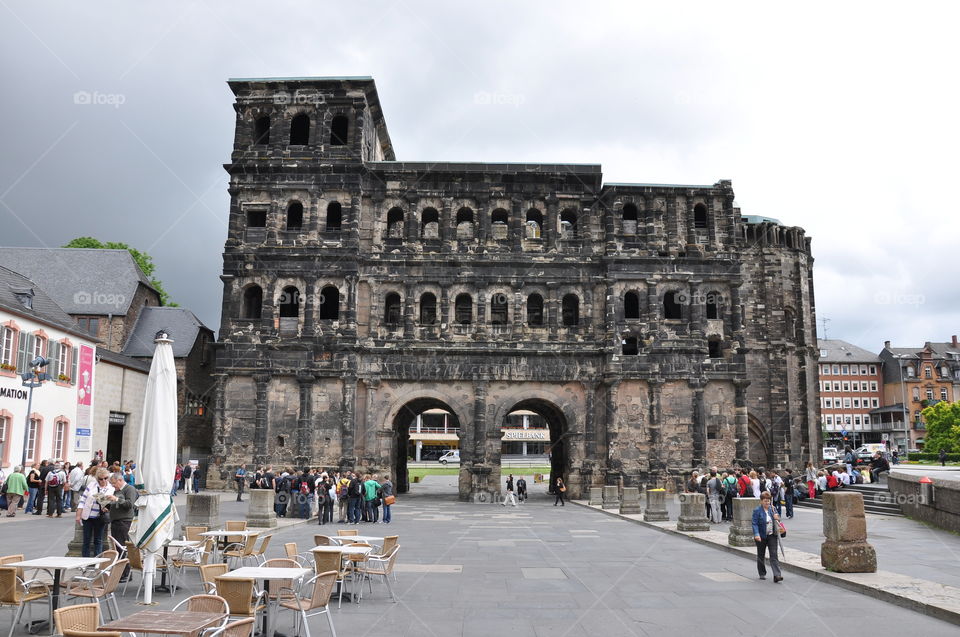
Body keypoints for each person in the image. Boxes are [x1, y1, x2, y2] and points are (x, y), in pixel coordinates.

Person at [105, 472, 138, 581]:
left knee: (123, 548)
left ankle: (126, 574)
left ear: (120, 480)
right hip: (116, 521)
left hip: (124, 522)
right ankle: (120, 573)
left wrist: (116, 499)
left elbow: (129, 504)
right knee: (118, 548)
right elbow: (118, 505)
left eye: (114, 483)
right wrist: (108, 507)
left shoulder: (130, 489)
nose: (113, 486)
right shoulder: (117, 490)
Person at [76, 468, 114, 557]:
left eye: (105, 478)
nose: (103, 480)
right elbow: (82, 500)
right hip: (87, 516)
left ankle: (97, 561)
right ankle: (85, 560)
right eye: (101, 479)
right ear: (97, 479)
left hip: (100, 517)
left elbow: (111, 504)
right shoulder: (92, 485)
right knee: (86, 540)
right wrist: (78, 515)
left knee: (98, 540)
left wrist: (106, 507)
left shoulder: (111, 488)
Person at [751, 491, 784, 582]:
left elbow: (778, 519)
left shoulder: (773, 509)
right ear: (761, 501)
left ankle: (777, 575)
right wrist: (756, 534)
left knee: (774, 555)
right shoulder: (757, 510)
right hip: (761, 536)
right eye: (765, 501)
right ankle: (762, 573)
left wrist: (777, 517)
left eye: (768, 501)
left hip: (772, 535)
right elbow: (754, 523)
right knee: (761, 555)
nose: (767, 503)